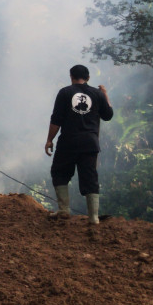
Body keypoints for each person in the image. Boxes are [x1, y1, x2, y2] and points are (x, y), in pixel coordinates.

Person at [44, 64, 114, 224]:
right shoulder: (97, 94)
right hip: (90, 143)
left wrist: (49, 140)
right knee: (90, 177)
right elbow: (108, 115)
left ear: (71, 77)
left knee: (59, 172)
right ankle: (94, 218)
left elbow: (56, 120)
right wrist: (105, 94)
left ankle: (63, 211)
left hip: (68, 141)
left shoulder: (65, 93)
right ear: (88, 78)